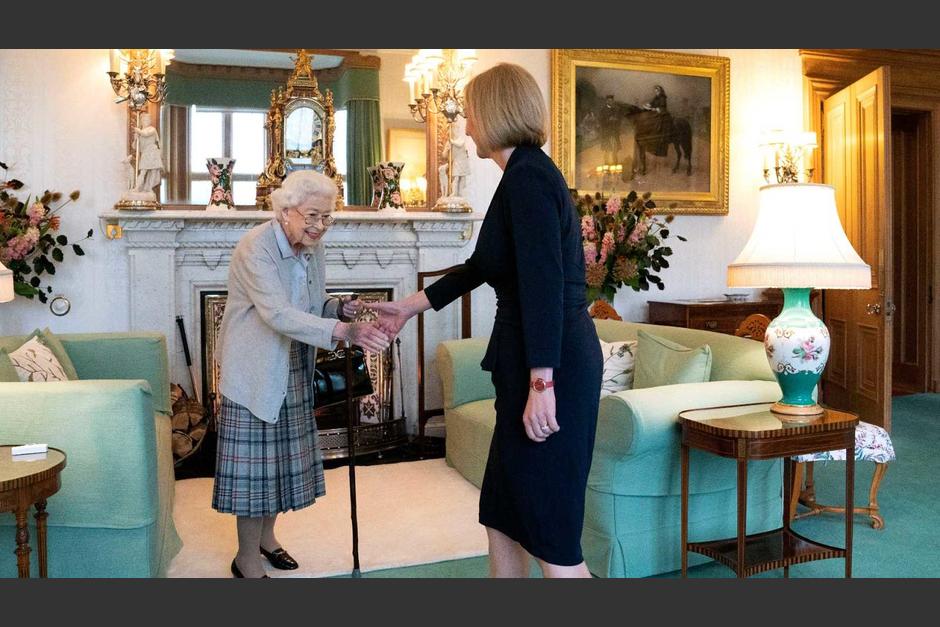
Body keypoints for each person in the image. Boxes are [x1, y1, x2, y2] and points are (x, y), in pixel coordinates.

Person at [371, 63, 603, 578]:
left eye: (471, 112)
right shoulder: (518, 175)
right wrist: (410, 306)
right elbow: (483, 266)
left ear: (495, 112)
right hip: (528, 362)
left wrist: (541, 382)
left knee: (552, 533)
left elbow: (543, 286)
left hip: (551, 368)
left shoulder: (528, 179)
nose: (467, 124)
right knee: (502, 514)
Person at [212, 170, 390, 578]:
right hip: (255, 368)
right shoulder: (255, 248)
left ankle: (267, 539)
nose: (319, 226)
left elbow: (309, 302)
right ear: (285, 211)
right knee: (255, 472)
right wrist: (343, 331)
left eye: (327, 218)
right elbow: (276, 312)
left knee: (279, 464)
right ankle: (245, 558)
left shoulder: (312, 248)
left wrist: (335, 309)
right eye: (312, 216)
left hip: (293, 363)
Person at [438, 121, 471, 198]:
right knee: (455, 178)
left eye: (457, 129)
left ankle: (459, 194)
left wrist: (452, 142)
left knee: (462, 179)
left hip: (462, 161)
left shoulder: (460, 140)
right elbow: (444, 155)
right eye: (454, 129)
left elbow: (459, 144)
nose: (455, 131)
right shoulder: (449, 142)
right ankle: (454, 193)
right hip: (455, 162)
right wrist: (446, 150)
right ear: (452, 130)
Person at [134, 112, 163, 194]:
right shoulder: (140, 132)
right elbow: (135, 147)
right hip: (145, 153)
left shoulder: (152, 129)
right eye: (144, 119)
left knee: (153, 171)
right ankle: (137, 187)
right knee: (143, 171)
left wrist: (139, 131)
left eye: (147, 119)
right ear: (141, 121)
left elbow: (146, 134)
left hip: (152, 152)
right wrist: (136, 139)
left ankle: (149, 188)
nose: (146, 121)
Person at [642, 85, 670, 157]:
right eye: (655, 91)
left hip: (662, 114)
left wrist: (655, 109)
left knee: (658, 124)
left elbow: (662, 107)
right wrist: (646, 105)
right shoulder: (656, 97)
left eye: (657, 91)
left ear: (660, 91)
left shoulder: (662, 97)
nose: (656, 92)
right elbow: (651, 103)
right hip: (656, 113)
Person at [598, 94, 622, 164]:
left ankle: (615, 164)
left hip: (614, 132)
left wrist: (616, 120)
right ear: (606, 101)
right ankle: (606, 165)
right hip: (606, 133)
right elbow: (601, 121)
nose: (610, 102)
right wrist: (609, 120)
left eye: (612, 100)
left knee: (615, 149)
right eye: (609, 100)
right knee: (607, 150)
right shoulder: (603, 110)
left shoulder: (616, 109)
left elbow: (620, 120)